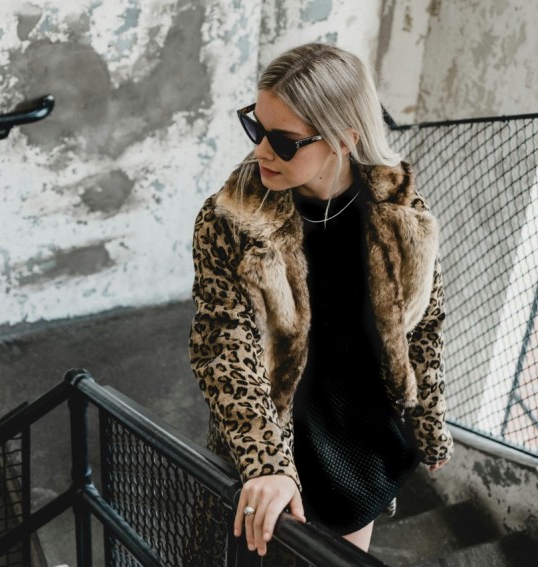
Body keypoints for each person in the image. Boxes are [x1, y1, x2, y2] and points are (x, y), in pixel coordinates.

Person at [189, 42, 452, 560]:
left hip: (360, 452)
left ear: (343, 139)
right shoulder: (231, 220)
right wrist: (266, 461)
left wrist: (430, 422)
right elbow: (222, 346)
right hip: (270, 430)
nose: (261, 151)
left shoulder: (403, 216)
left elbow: (424, 326)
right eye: (255, 127)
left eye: (284, 141)